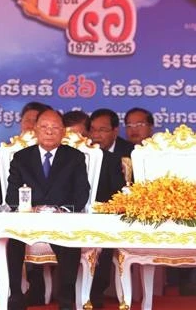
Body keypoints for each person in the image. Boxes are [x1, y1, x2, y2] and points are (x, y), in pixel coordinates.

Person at [5, 110, 90, 310]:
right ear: (35, 130)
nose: (49, 132)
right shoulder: (21, 157)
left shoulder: (75, 157)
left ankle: (66, 301)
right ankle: (15, 296)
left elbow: (81, 195)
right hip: (29, 220)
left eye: (55, 128)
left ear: (63, 132)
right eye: (44, 127)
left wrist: (61, 211)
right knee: (12, 239)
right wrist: (30, 209)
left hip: (61, 220)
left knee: (69, 242)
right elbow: (11, 196)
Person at [63, 109, 125, 308]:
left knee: (103, 233)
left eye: (79, 135)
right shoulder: (60, 158)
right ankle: (66, 296)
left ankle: (95, 293)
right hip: (64, 217)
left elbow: (118, 194)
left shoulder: (108, 159)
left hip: (99, 219)